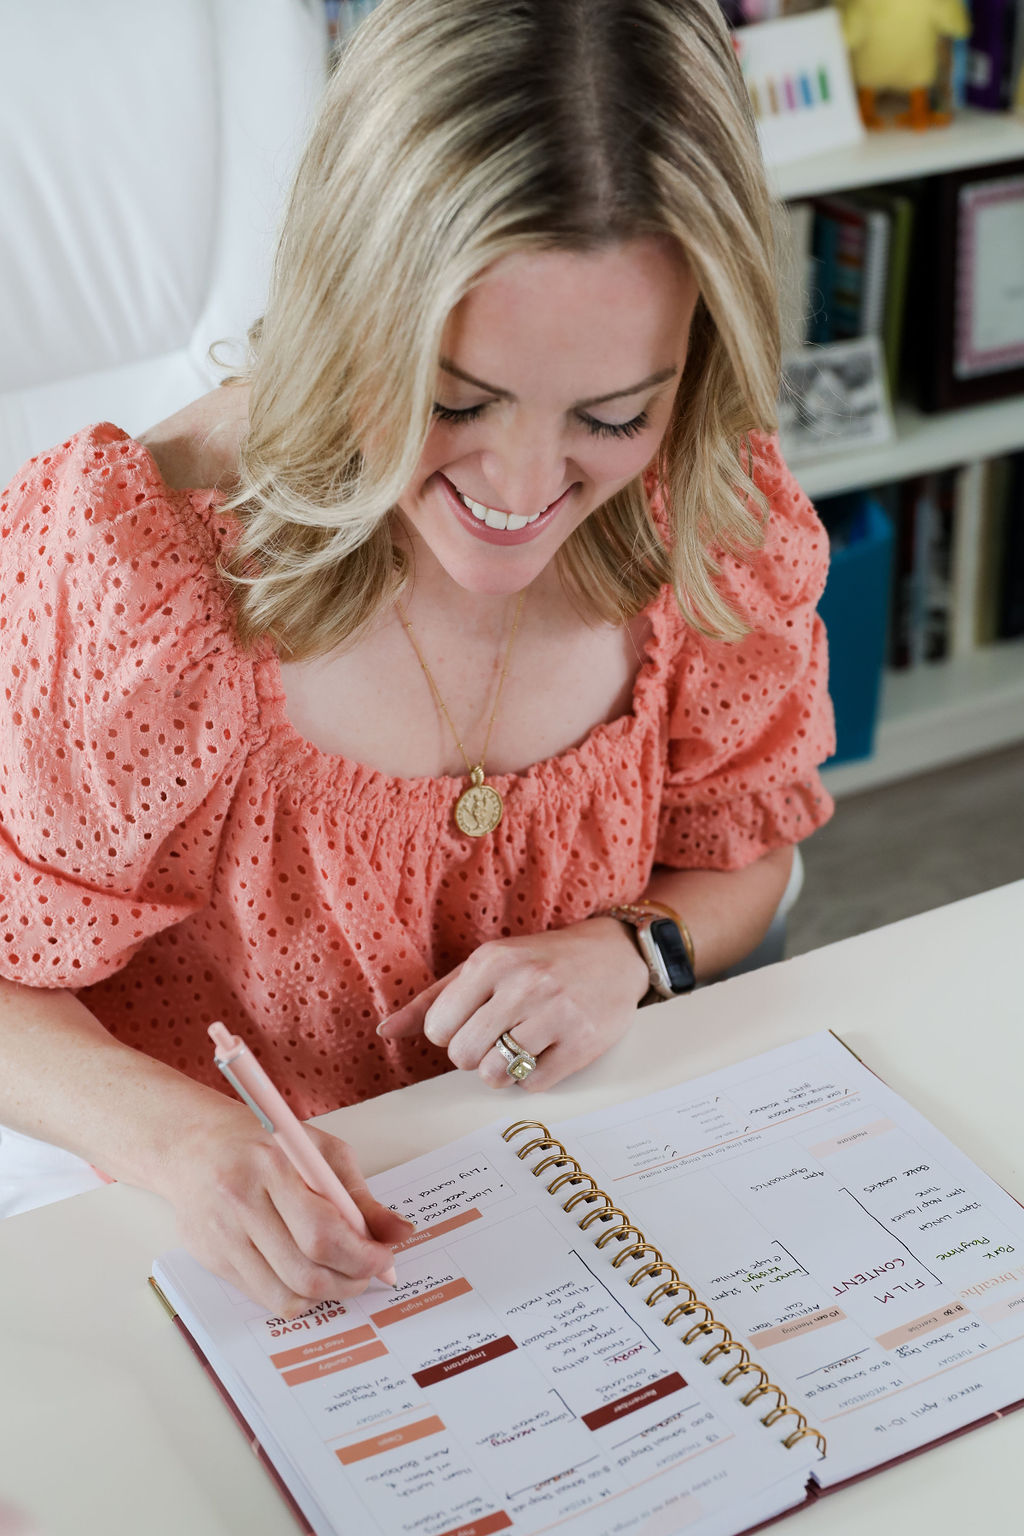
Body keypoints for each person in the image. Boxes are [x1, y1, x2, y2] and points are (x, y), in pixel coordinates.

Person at [0, 0, 834, 1315]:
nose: (519, 490)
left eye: (612, 414)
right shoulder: (137, 581)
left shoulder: (705, 525)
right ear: (347, 310)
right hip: (220, 1251)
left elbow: (743, 849)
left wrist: (630, 951)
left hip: (570, 1211)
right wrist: (182, 1143)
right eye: (452, 399)